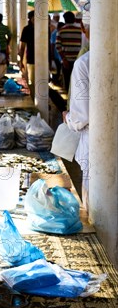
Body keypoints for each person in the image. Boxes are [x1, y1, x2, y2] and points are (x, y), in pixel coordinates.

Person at [63, 50, 90, 211]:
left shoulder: (85, 63)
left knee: (98, 211)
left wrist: (68, 118)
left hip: (97, 147)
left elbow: (80, 118)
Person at [55, 11, 82, 91]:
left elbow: (58, 46)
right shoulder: (79, 30)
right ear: (74, 19)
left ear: (64, 19)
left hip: (66, 60)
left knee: (67, 81)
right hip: (78, 60)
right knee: (77, 81)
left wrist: (64, 59)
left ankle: (68, 100)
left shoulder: (61, 31)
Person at [19, 10, 35, 98]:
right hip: (31, 59)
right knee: (31, 82)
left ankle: (40, 100)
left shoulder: (43, 28)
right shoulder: (26, 29)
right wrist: (21, 61)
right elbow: (22, 47)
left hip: (42, 60)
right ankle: (34, 98)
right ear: (30, 18)